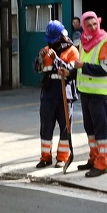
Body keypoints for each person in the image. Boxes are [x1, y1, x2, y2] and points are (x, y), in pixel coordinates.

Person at [72, 12, 107, 177]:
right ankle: (94, 158)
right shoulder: (84, 42)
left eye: (94, 24)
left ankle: (102, 163)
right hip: (85, 93)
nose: (92, 27)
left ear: (98, 23)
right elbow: (79, 67)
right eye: (88, 25)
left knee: (101, 130)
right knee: (90, 129)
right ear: (83, 27)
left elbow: (105, 70)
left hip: (99, 94)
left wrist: (83, 65)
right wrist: (70, 72)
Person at [34, 21, 77, 168]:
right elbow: (37, 69)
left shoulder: (72, 51)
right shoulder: (46, 50)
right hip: (48, 94)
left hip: (65, 94)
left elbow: (72, 72)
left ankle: (62, 158)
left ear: (62, 37)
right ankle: (45, 157)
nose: (51, 44)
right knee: (46, 126)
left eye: (54, 40)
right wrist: (39, 59)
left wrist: (56, 60)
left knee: (65, 127)